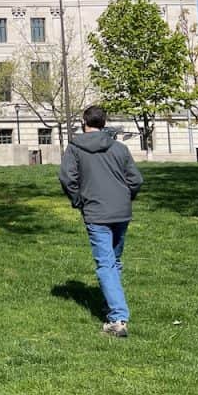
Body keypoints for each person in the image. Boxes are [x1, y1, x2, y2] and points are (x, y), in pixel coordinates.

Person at [58, 105, 143, 337]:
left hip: (96, 212)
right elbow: (135, 180)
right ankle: (112, 305)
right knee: (113, 261)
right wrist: (127, 197)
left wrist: (79, 201)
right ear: (104, 123)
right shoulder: (120, 148)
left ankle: (118, 318)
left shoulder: (75, 148)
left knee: (106, 263)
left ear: (83, 122)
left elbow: (67, 179)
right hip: (121, 211)